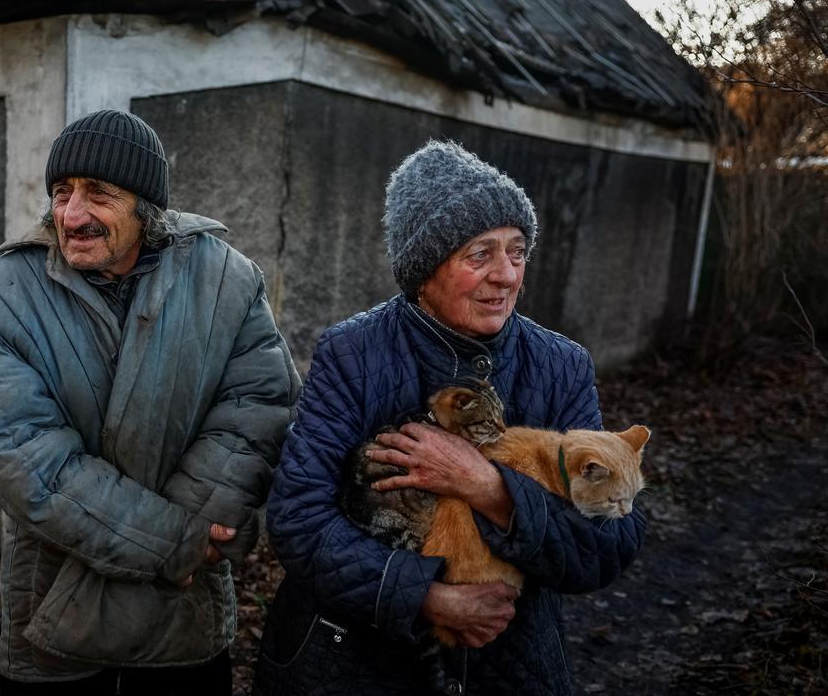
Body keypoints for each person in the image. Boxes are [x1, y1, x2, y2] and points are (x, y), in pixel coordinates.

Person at [252, 140, 646, 696]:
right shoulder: (353, 354)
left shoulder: (561, 366)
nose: (506, 276)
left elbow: (608, 538)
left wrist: (488, 487)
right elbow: (298, 518)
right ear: (423, 270)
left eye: (516, 251)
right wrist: (426, 596)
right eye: (479, 254)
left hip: (509, 663)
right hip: (354, 664)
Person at [0, 110, 300, 694]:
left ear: (146, 205)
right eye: (61, 192)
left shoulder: (228, 280)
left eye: (99, 193)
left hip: (181, 620)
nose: (72, 214)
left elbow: (256, 414)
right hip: (56, 606)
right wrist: (176, 542)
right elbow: (20, 455)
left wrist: (192, 533)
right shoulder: (5, 292)